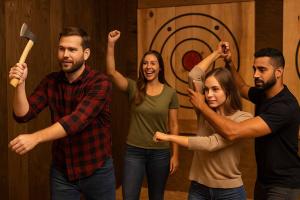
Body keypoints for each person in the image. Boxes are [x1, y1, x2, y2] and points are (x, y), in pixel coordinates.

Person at [8, 27, 115, 200]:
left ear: (86, 54)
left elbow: (76, 121)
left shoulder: (100, 83)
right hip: (62, 172)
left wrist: (35, 137)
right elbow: (22, 115)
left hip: (97, 170)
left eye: (72, 50)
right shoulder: (51, 81)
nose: (65, 54)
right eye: (62, 48)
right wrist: (21, 84)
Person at [188, 42, 300, 200]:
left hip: (284, 185)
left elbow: (232, 132)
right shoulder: (263, 94)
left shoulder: (285, 106)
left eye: (262, 70)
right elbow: (240, 87)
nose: (255, 75)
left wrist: (202, 106)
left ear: (278, 72)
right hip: (263, 181)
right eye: (255, 69)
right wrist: (228, 61)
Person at [154, 42, 252, 200]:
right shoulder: (204, 110)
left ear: (228, 91)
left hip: (230, 192)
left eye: (215, 89)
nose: (209, 95)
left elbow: (210, 143)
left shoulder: (243, 118)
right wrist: (217, 53)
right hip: (199, 188)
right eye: (206, 90)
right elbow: (194, 75)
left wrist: (168, 137)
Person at [106, 30, 179, 200]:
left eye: (153, 63)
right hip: (134, 151)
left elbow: (174, 125)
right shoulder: (133, 87)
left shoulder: (170, 93)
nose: (148, 67)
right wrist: (111, 44)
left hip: (160, 153)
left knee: (156, 196)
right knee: (129, 196)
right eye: (145, 63)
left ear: (160, 67)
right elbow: (111, 72)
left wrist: (175, 155)